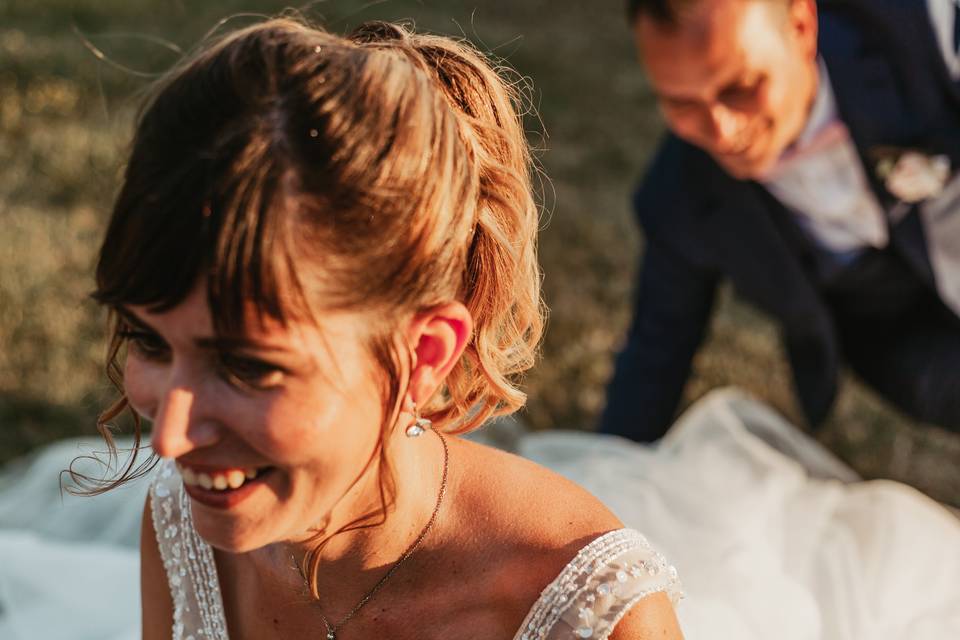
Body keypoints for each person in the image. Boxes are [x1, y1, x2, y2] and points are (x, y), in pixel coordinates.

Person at [82, 17, 683, 640]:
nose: (170, 440)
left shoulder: (591, 615)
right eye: (150, 342)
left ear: (423, 354)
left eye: (246, 366)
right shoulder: (189, 525)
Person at [601, 0, 960, 442]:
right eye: (681, 103)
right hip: (903, 341)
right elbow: (654, 356)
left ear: (802, 27)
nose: (722, 131)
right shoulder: (681, 196)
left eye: (741, 87)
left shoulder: (925, 31)